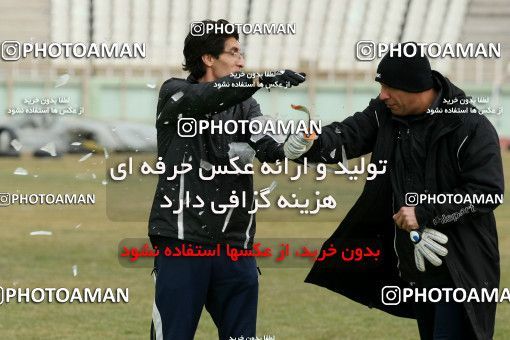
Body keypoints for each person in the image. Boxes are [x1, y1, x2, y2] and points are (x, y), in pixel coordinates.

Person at [285, 42, 504, 339]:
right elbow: (348, 135)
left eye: (388, 87)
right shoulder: (385, 113)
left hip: (462, 270)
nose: (382, 95)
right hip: (418, 267)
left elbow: (488, 192)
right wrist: (312, 144)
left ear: (415, 87)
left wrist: (426, 212)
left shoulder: (469, 125)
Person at [147, 19, 309, 340]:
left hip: (236, 246)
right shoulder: (174, 93)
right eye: (234, 53)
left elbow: (266, 147)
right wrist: (262, 78)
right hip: (183, 242)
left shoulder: (247, 104)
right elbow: (207, 97)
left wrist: (290, 149)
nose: (242, 61)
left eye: (242, 53)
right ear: (208, 58)